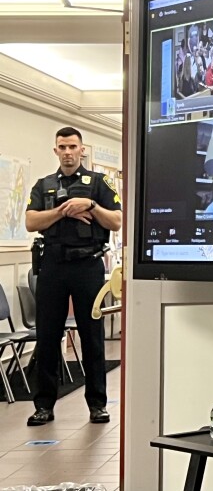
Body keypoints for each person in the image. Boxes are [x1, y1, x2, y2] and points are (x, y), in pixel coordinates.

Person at [25, 127, 122, 426]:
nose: (68, 152)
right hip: (53, 265)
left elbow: (116, 221)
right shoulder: (44, 185)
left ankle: (97, 405)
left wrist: (90, 205)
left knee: (92, 336)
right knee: (48, 336)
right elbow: (31, 221)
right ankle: (43, 405)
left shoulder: (98, 183)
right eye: (62, 147)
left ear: (82, 150)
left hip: (88, 266)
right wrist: (64, 211)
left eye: (73, 147)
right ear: (55, 150)